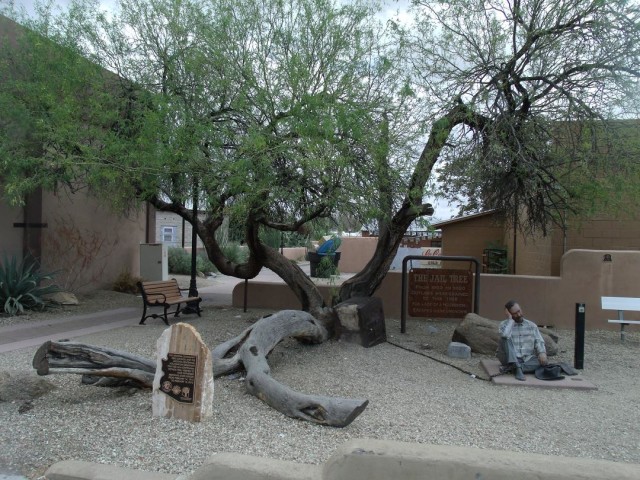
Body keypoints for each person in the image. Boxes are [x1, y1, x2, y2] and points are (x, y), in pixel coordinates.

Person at [496, 300, 548, 381]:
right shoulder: (504, 325)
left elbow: (539, 340)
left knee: (543, 363)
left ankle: (515, 368)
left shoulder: (531, 325)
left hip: (526, 358)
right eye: (515, 313)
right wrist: (510, 320)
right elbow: (505, 335)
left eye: (519, 311)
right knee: (505, 338)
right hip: (507, 357)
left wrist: (542, 352)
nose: (519, 314)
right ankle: (515, 365)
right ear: (509, 314)